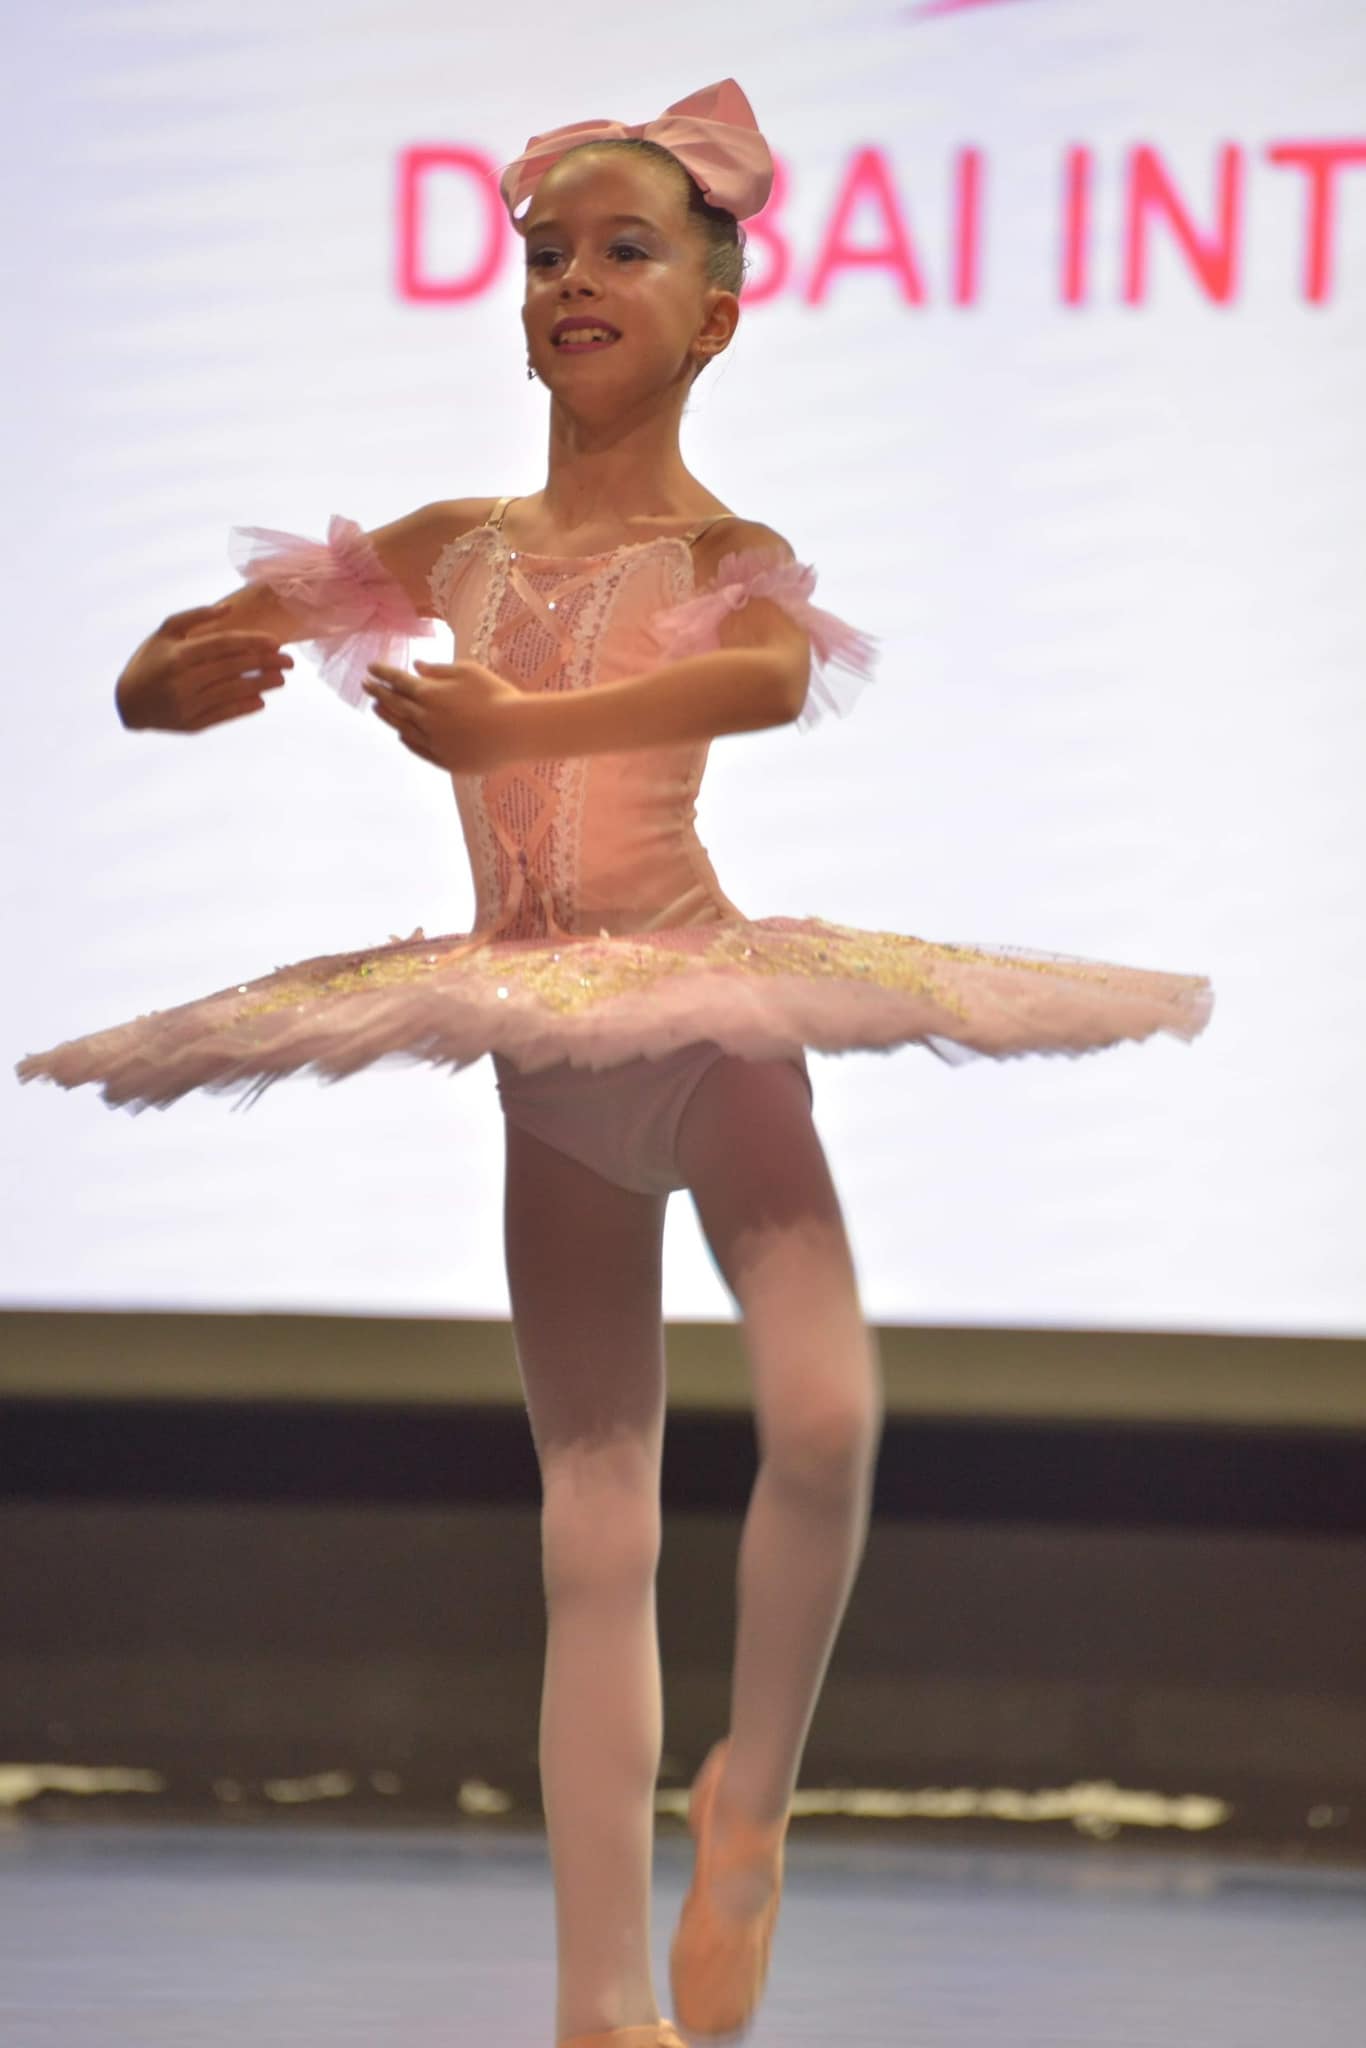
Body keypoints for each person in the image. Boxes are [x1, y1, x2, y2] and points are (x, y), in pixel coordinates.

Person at [15, 79, 1214, 2048]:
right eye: (546, 252)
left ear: (713, 315)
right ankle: (596, 2001)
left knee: (822, 1419)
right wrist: (164, 679)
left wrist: (520, 733)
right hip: (542, 1055)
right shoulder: (451, 544)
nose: (572, 278)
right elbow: (198, 638)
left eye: (623, 249)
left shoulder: (721, 545)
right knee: (592, 1527)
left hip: (701, 1021)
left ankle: (751, 1796)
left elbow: (765, 675)